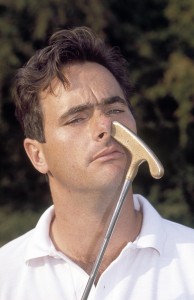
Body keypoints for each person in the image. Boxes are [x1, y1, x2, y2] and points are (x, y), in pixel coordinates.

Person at [0, 26, 194, 300]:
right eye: (76, 118)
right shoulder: (5, 277)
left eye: (115, 109)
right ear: (37, 155)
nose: (106, 126)